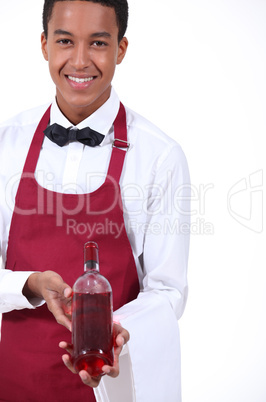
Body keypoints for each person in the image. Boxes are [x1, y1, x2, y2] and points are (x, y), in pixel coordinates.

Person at [0, 1, 190, 401]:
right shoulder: (7, 144)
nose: (81, 61)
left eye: (98, 43)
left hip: (111, 383)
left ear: (121, 49)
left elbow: (167, 290)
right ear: (44, 45)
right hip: (13, 380)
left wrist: (115, 331)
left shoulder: (158, 156)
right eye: (65, 41)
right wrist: (29, 284)